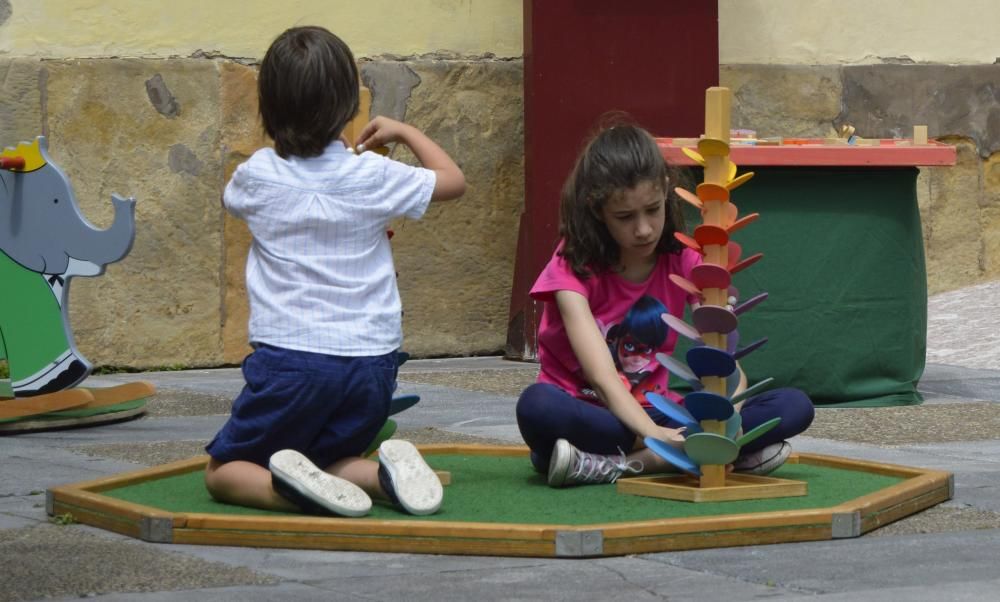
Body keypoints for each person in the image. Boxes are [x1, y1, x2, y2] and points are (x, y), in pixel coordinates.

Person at [204, 26, 466, 517]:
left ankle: (291, 492)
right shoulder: (372, 174)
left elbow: (236, 201)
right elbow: (454, 181)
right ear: (351, 106)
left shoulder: (256, 175)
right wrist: (404, 132)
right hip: (372, 366)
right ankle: (383, 478)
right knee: (330, 458)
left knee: (225, 470)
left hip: (292, 363)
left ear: (268, 108)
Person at [515, 123, 814, 487]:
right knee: (538, 407)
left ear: (667, 194)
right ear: (597, 211)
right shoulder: (570, 265)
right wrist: (656, 436)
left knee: (793, 406)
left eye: (652, 210)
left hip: (661, 412)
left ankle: (611, 464)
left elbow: (725, 365)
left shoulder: (686, 261)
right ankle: (684, 458)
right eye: (624, 217)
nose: (643, 229)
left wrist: (727, 424)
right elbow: (603, 378)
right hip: (596, 412)